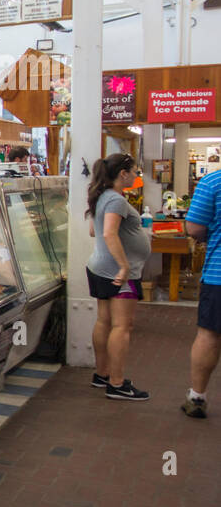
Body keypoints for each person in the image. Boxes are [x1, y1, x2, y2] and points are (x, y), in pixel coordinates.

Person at [86, 154, 151, 400]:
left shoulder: (102, 196)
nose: (137, 176)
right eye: (135, 171)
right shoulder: (115, 200)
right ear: (123, 174)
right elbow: (108, 233)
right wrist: (124, 266)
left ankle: (102, 374)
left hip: (101, 267)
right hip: (119, 272)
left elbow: (94, 231)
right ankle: (117, 383)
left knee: (104, 321)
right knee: (122, 326)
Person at [180, 161, 221, 418]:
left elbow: (193, 227)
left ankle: (197, 397)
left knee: (209, 335)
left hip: (219, 275)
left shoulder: (213, 182)